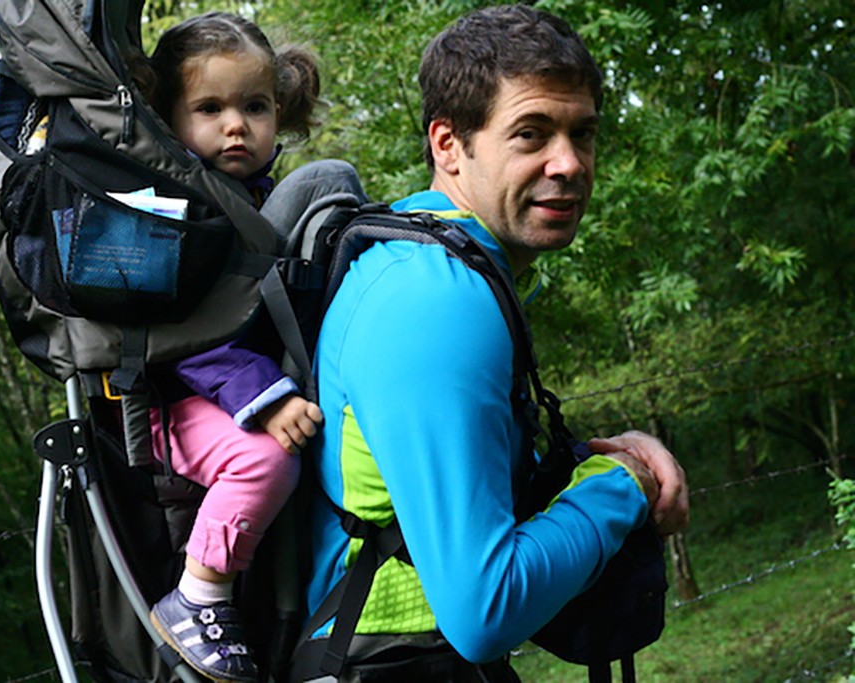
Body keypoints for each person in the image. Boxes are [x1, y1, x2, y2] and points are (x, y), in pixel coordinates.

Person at [298, 5, 690, 681]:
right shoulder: (437, 298)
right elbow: (486, 606)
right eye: (532, 134)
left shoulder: (434, 264)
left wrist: (609, 456)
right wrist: (622, 486)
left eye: (583, 133)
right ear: (448, 144)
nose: (567, 163)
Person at [130, 12, 327, 683]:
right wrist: (264, 398)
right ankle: (198, 595)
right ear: (168, 118)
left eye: (254, 106)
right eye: (208, 108)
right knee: (266, 461)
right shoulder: (167, 207)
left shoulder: (267, 202)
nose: (235, 125)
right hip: (179, 405)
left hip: (241, 391)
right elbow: (175, 329)